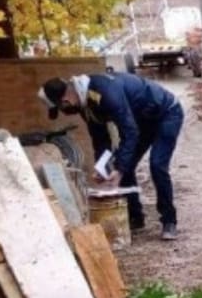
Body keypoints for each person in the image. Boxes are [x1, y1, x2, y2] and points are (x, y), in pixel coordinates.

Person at [39, 73, 183, 240]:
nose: (66, 109)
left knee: (157, 165)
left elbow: (129, 132)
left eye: (61, 107)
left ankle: (169, 221)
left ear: (65, 100)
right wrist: (103, 167)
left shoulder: (105, 93)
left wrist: (119, 169)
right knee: (126, 165)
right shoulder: (86, 103)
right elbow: (101, 140)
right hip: (141, 122)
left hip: (166, 114)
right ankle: (135, 218)